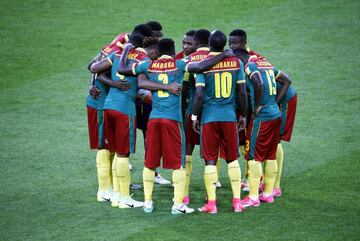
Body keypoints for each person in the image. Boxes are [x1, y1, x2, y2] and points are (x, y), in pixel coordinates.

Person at [119, 37, 230, 214]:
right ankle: (177, 204)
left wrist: (125, 50)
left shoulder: (147, 65)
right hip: (173, 120)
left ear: (159, 52)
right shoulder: (179, 64)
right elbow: (201, 66)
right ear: (172, 52)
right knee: (178, 163)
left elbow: (122, 69)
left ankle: (148, 202)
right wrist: (223, 54)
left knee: (150, 163)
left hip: (154, 119)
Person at [90, 33, 180, 209]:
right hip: (125, 109)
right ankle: (124, 199)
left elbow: (95, 69)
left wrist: (109, 84)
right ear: (151, 48)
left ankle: (115, 195)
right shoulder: (144, 59)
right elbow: (142, 85)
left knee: (114, 151)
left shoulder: (117, 53)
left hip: (108, 106)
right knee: (123, 154)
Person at [191, 30, 247, 214]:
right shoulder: (236, 62)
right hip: (229, 117)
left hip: (209, 118)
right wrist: (243, 116)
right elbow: (241, 92)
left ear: (208, 43)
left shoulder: (202, 64)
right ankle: (237, 202)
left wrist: (194, 116)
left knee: (210, 160)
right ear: (225, 44)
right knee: (232, 159)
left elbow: (199, 95)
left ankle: (212, 204)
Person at [234, 48, 291, 207]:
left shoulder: (249, 66)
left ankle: (253, 197)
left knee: (254, 157)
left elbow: (258, 82)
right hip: (275, 115)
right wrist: (275, 103)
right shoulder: (264, 63)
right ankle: (268, 193)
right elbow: (287, 80)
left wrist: (258, 105)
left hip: (263, 118)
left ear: (239, 58)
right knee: (270, 155)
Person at [274, 83, 297, 197]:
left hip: (285, 99)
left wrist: (275, 103)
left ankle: (276, 186)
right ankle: (267, 181)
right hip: (275, 98)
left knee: (275, 139)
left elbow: (287, 81)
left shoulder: (252, 68)